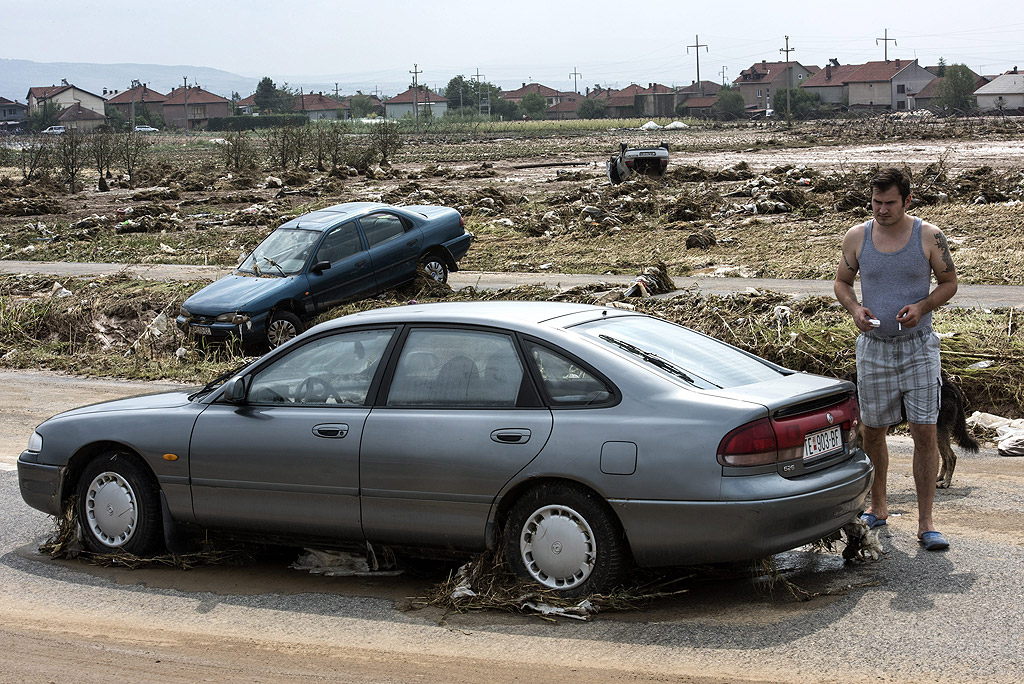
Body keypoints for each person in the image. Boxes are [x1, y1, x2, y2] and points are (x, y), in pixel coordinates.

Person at [834, 167, 958, 551]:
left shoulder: (929, 235)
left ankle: (926, 524)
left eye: (890, 203)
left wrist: (922, 306)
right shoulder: (858, 237)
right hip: (874, 350)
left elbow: (950, 282)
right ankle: (879, 506)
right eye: (876, 202)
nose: (882, 210)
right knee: (872, 431)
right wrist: (854, 308)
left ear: (907, 200)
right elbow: (841, 282)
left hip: (919, 347)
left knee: (924, 430)